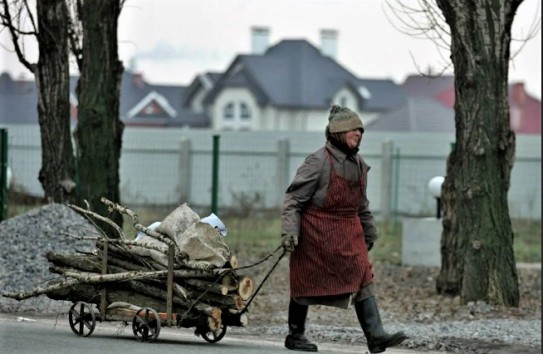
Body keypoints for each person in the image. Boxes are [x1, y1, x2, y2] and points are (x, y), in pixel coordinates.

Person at [280, 105, 407, 353]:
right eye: (352, 129)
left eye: (360, 129)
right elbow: (294, 199)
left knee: (363, 274)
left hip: (349, 233)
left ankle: (375, 336)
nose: (358, 133)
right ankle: (295, 335)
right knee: (305, 281)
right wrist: (289, 231)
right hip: (315, 233)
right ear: (337, 132)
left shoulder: (359, 164)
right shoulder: (317, 161)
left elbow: (362, 205)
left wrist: (369, 231)